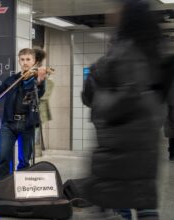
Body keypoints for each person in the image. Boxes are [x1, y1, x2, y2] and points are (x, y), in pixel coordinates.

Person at [82, 0, 165, 219]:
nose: (111, 11)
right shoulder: (151, 51)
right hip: (141, 142)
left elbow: (129, 93)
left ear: (128, 15)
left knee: (119, 202)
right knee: (141, 200)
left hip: (121, 145)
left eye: (118, 7)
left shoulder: (126, 50)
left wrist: (100, 102)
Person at [0, 48, 48, 179]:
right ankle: (3, 185)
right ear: (19, 61)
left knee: (25, 160)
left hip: (27, 124)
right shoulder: (12, 79)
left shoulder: (37, 79)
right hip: (9, 123)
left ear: (34, 61)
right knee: (3, 156)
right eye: (22, 59)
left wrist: (40, 80)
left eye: (28, 60)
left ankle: (21, 185)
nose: (25, 63)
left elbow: (40, 93)